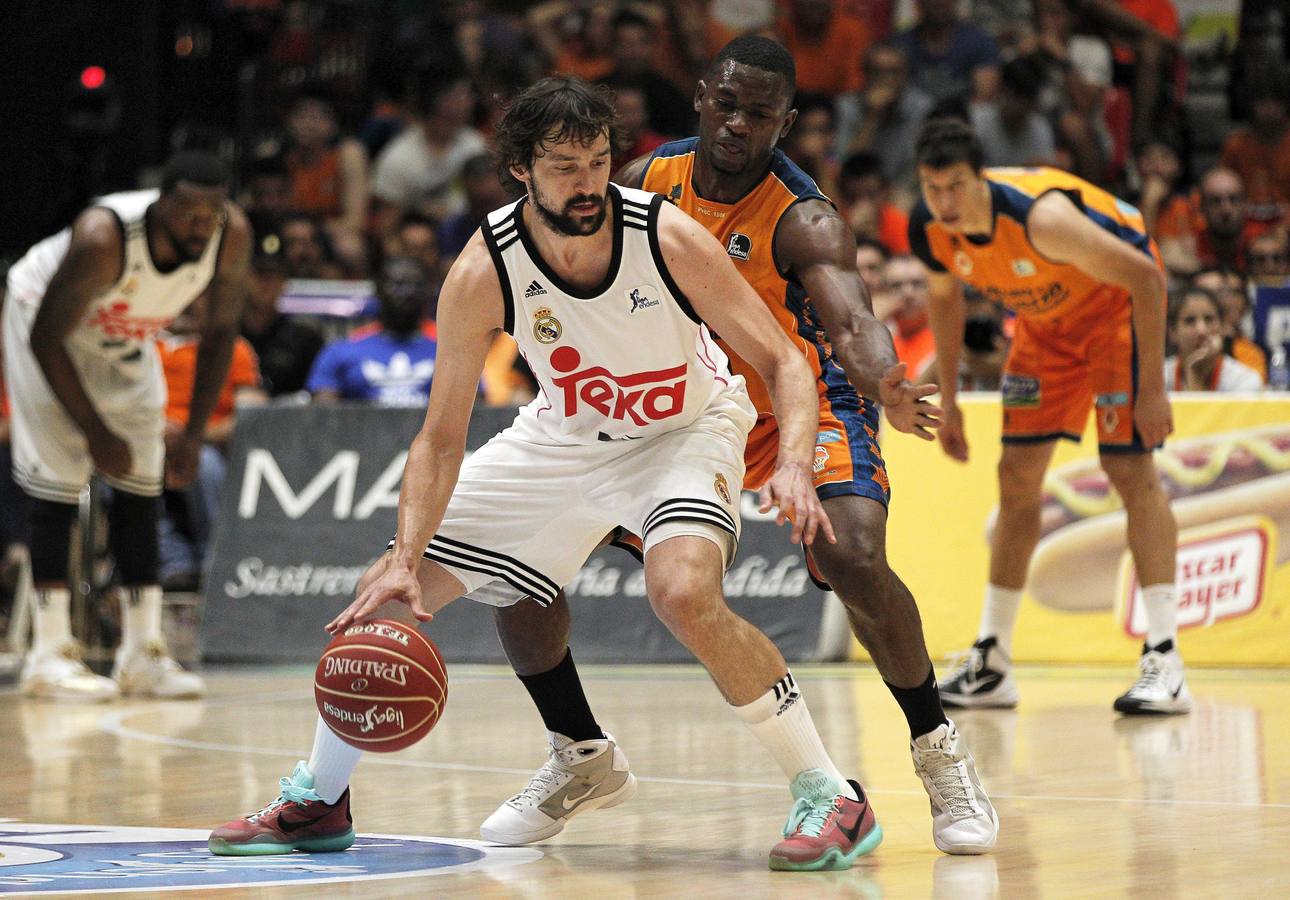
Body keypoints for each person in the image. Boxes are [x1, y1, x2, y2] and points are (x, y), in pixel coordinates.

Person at [210, 75, 886, 871]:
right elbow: (438, 439)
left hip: (688, 429)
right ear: (521, 170)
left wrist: (799, 464)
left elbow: (783, 359)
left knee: (681, 593)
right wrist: (403, 557)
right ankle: (321, 799)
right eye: (565, 166)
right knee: (382, 599)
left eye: (598, 160)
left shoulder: (661, 234)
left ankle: (830, 792)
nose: (588, 182)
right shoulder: (482, 268)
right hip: (565, 437)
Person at [491, 38, 998, 857]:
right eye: (726, 103)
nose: (736, 123)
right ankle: (578, 752)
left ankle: (937, 751)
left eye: (759, 113)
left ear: (786, 122)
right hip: (684, 408)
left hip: (799, 398)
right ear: (700, 96)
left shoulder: (803, 217)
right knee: (517, 562)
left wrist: (887, 381)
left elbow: (854, 323)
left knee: (855, 556)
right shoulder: (648, 180)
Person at [910, 118, 1190, 715]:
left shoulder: (1043, 220)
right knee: (1015, 479)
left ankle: (1165, 658)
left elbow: (1144, 277)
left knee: (1130, 472)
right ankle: (994, 661)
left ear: (980, 177)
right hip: (1044, 332)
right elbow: (944, 300)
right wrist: (951, 400)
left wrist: (1152, 391)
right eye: (932, 188)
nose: (945, 202)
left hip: (1117, 316)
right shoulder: (929, 228)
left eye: (956, 185)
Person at [1, 151, 250, 700]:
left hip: (123, 333)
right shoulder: (102, 238)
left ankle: (142, 652)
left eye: (211, 215)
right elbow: (46, 336)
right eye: (188, 215)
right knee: (58, 476)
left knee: (144, 477)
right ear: (159, 206)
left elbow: (221, 333)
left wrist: (190, 431)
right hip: (42, 324)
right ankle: (48, 653)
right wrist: (93, 429)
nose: (200, 226)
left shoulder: (231, 236)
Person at [306, 256, 439, 407]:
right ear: (378, 290)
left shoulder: (446, 351)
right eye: (397, 285)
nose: (406, 294)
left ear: (428, 291)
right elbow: (324, 418)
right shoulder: (341, 351)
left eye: (415, 285)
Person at [1164, 287, 1263, 392]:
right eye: (1190, 321)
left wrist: (1195, 374)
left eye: (1209, 319)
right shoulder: (1159, 379)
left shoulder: (1245, 380)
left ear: (1223, 328)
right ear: (1172, 332)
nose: (1201, 330)